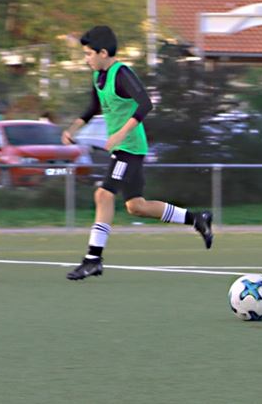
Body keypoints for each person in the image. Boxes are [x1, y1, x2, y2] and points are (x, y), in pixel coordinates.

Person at [61, 25, 213, 281]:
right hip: (124, 149)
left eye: (88, 54)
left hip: (129, 148)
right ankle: (197, 219)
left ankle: (93, 258)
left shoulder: (121, 73)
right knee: (136, 207)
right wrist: (72, 129)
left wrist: (121, 133)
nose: (86, 58)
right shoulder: (99, 77)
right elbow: (93, 107)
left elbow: (146, 102)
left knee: (103, 194)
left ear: (103, 52)